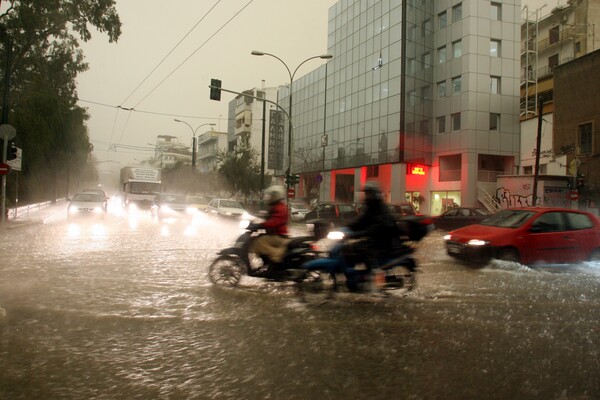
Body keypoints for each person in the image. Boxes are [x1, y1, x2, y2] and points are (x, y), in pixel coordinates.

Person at [344, 180, 403, 290]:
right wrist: (346, 227)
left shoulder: (382, 209)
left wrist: (356, 234)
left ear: (374, 194)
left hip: (384, 242)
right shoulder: (370, 208)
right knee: (350, 249)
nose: (366, 196)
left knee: (364, 249)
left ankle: (375, 280)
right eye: (366, 194)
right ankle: (357, 276)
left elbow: (376, 229)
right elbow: (361, 221)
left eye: (369, 194)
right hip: (375, 240)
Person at [248, 185, 290, 269]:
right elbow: (270, 218)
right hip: (275, 234)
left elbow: (275, 221)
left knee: (258, 242)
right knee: (258, 238)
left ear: (275, 196)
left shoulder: (280, 208)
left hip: (278, 235)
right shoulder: (276, 207)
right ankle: (267, 262)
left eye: (270, 196)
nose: (268, 198)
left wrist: (261, 225)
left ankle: (274, 260)